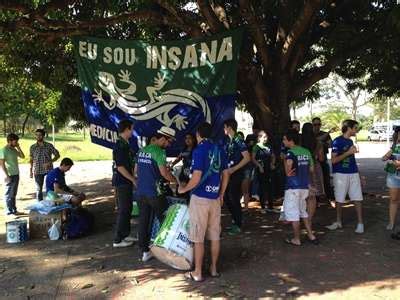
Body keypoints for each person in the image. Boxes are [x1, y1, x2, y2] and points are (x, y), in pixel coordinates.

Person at [178, 122, 229, 282]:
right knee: (215, 235)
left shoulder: (199, 150)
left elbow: (196, 177)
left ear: (198, 134)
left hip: (199, 198)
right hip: (214, 199)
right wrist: (221, 194)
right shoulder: (219, 149)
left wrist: (184, 189)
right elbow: (226, 174)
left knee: (198, 237)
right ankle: (213, 269)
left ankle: (198, 272)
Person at [136, 126, 178, 262]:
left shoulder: (142, 150)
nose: (169, 144)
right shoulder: (159, 152)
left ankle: (145, 252)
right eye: (169, 141)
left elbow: (136, 171)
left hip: (141, 192)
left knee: (143, 221)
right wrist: (176, 181)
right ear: (163, 138)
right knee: (166, 220)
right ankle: (169, 249)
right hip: (155, 193)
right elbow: (164, 173)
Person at [326, 120, 364, 233]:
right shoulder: (337, 141)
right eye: (355, 128)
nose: (357, 130)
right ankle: (338, 221)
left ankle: (360, 223)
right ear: (349, 128)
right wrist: (348, 152)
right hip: (340, 174)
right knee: (339, 198)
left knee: (357, 198)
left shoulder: (351, 141)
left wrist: (359, 175)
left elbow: (352, 159)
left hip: (353, 173)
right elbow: (333, 160)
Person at [282, 129, 318, 246]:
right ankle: (311, 235)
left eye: (284, 139)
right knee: (303, 212)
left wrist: (286, 164)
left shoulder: (290, 153)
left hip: (293, 187)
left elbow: (288, 170)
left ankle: (296, 239)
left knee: (294, 214)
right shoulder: (306, 151)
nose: (283, 141)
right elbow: (311, 169)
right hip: (304, 187)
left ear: (290, 140)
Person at [112, 120, 137, 248]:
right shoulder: (120, 146)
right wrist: (133, 179)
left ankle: (125, 234)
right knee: (123, 210)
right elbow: (120, 167)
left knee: (128, 209)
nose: (132, 132)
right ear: (126, 129)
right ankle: (118, 239)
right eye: (132, 129)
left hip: (126, 181)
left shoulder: (126, 144)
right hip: (122, 182)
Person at [223, 119, 250, 235]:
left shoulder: (238, 140)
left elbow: (247, 157)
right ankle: (235, 220)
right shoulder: (229, 141)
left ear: (229, 127)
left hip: (236, 174)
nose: (223, 129)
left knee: (233, 198)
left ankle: (238, 224)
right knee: (226, 198)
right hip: (228, 174)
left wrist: (234, 168)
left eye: (225, 127)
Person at [301, 123, 325, 223]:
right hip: (314, 167)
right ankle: (309, 218)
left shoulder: (299, 142)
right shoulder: (318, 142)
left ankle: (303, 217)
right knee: (312, 195)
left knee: (302, 194)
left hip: (301, 167)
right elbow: (321, 158)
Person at [29, 129, 60, 201]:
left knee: (50, 188)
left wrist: (50, 161)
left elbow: (57, 155)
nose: (38, 136)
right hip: (37, 170)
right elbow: (31, 160)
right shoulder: (32, 147)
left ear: (43, 136)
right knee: (38, 189)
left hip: (49, 169)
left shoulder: (49, 145)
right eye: (36, 135)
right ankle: (40, 204)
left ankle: (52, 202)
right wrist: (30, 171)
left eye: (40, 135)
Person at [252, 130, 277, 213]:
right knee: (262, 188)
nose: (265, 139)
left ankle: (270, 206)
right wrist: (259, 166)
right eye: (263, 137)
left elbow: (273, 156)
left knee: (270, 187)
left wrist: (272, 163)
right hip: (261, 169)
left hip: (268, 169)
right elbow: (253, 158)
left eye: (266, 137)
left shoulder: (269, 146)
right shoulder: (256, 147)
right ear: (259, 138)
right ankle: (263, 207)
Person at [0, 133, 25, 215]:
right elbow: (2, 164)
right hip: (9, 175)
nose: (17, 142)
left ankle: (14, 210)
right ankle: (9, 211)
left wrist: (18, 147)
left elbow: (22, 156)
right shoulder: (3, 150)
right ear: (10, 141)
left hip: (16, 174)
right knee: (8, 193)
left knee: (13, 193)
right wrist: (6, 175)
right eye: (15, 141)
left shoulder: (14, 149)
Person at [382, 127, 400, 233]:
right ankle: (392, 222)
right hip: (393, 176)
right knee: (393, 199)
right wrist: (386, 157)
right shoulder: (394, 146)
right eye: (398, 133)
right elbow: (383, 158)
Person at [312, 117, 334, 201]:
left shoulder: (325, 134)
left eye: (319, 124)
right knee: (314, 180)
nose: (317, 126)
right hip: (313, 160)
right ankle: (316, 198)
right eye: (315, 124)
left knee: (326, 178)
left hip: (323, 159)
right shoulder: (309, 134)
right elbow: (315, 141)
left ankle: (328, 197)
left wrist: (322, 143)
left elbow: (330, 145)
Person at [241, 134, 257, 211]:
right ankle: (246, 206)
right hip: (248, 169)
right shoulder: (252, 149)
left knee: (245, 189)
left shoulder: (244, 148)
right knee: (246, 189)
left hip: (245, 169)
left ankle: (246, 206)